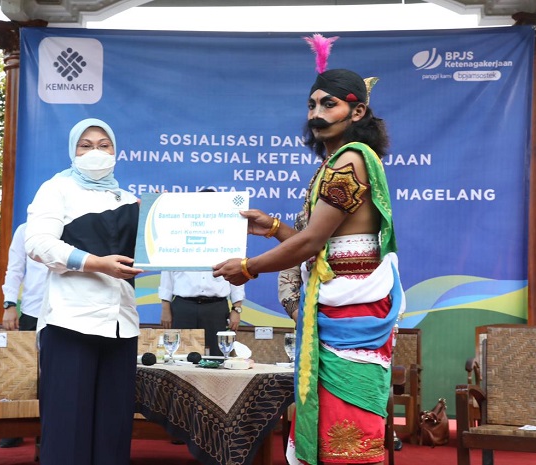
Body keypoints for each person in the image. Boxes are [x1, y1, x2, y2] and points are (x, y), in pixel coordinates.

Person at [213, 35, 404, 465]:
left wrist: (248, 267)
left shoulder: (350, 160)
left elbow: (313, 242)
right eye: (312, 104)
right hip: (335, 306)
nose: (316, 114)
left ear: (358, 112)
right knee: (327, 419)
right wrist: (274, 228)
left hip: (353, 311)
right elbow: (322, 249)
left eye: (329, 104)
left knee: (348, 420)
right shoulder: (332, 164)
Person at [24, 117, 143, 465]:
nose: (96, 152)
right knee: (67, 432)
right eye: (85, 145)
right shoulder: (56, 189)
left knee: (113, 432)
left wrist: (166, 221)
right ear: (72, 151)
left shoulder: (128, 199)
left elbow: (153, 249)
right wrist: (97, 263)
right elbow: (39, 244)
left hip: (121, 325)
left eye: (104, 145)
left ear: (116, 151)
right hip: (70, 322)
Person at [0, 221, 49, 448]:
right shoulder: (25, 229)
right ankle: (16, 426)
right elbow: (15, 269)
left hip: (63, 312)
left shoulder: (72, 223)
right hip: (32, 310)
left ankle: (47, 430)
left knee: (55, 373)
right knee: (24, 371)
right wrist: (9, 304)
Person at [159, 270, 245, 356]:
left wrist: (236, 309)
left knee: (217, 354)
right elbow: (166, 280)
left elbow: (236, 277)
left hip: (216, 308)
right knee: (181, 354)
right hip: (184, 307)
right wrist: (165, 309)